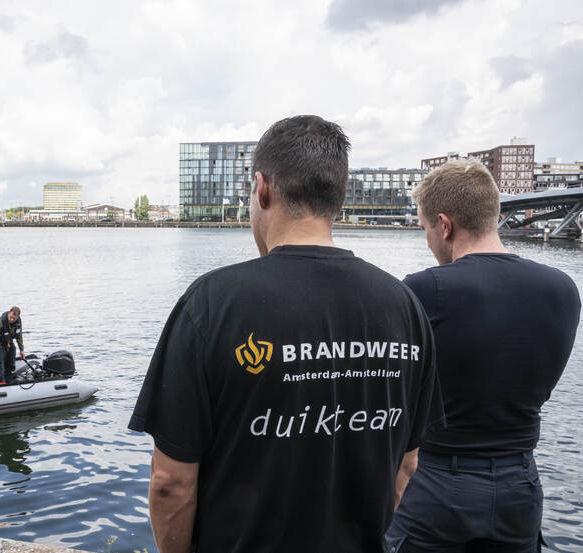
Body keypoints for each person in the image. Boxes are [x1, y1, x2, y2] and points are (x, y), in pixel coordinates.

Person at [129, 115, 444, 553]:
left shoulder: (212, 303)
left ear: (262, 188)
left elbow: (170, 484)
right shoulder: (404, 307)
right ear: (338, 198)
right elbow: (406, 468)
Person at [386, 159, 580, 552]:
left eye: (425, 229)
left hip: (440, 481)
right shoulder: (563, 289)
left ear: (445, 225)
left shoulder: (425, 289)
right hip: (520, 487)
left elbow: (394, 397)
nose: (428, 240)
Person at [0, 306, 24, 384]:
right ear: (9, 313)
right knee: (0, 367)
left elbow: (19, 336)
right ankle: (0, 384)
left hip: (9, 343)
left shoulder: (18, 322)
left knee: (10, 365)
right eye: (10, 317)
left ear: (17, 317)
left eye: (14, 318)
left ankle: (9, 382)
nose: (12, 320)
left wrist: (22, 350)